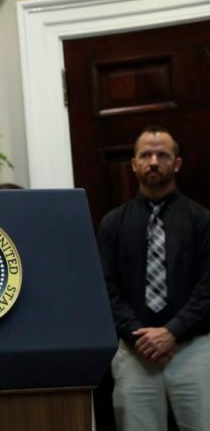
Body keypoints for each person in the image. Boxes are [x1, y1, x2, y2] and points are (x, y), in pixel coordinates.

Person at [98, 126, 210, 431]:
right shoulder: (112, 224)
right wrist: (140, 336)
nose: (154, 161)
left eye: (163, 155)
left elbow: (208, 288)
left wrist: (172, 332)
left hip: (193, 350)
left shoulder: (202, 220)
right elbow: (105, 288)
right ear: (134, 164)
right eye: (146, 155)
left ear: (177, 163)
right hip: (134, 354)